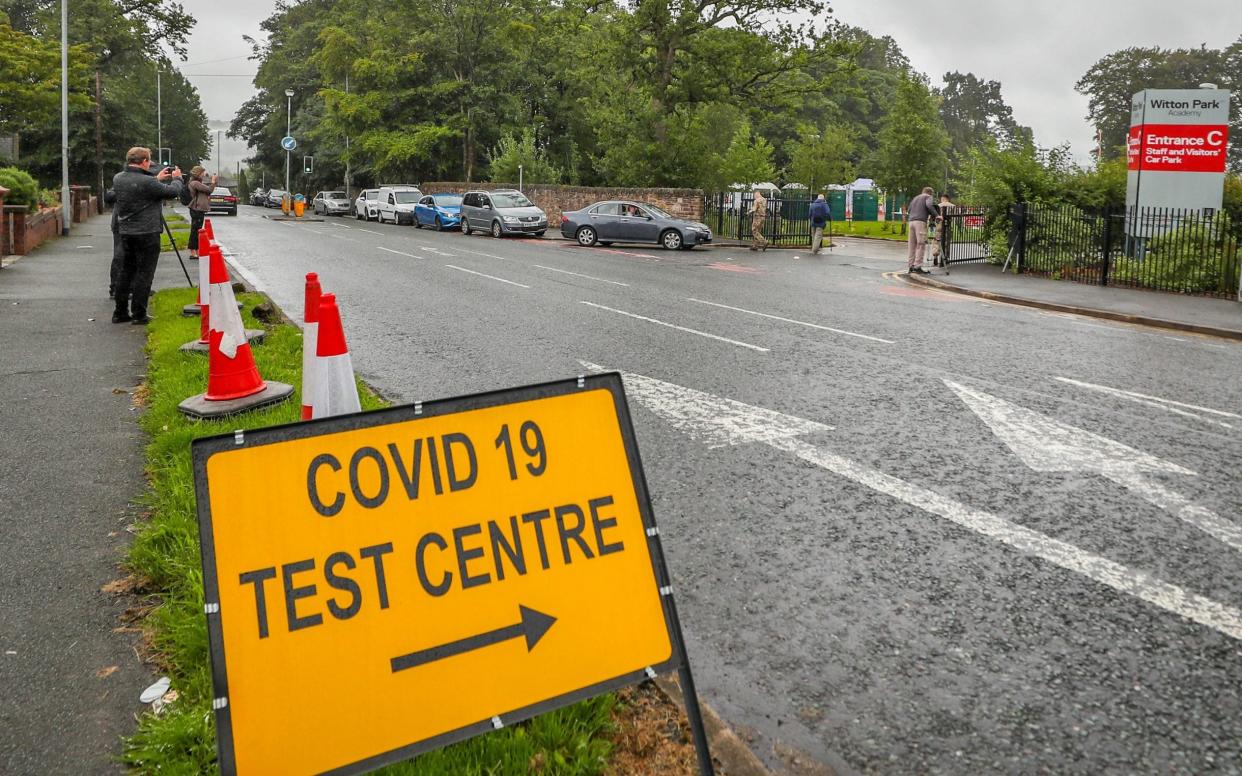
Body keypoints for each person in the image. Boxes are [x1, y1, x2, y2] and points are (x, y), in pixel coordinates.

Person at [112, 146, 183, 324]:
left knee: (126, 272)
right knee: (144, 274)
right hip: (147, 233)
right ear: (144, 161)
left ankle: (120, 312)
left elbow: (143, 188)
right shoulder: (148, 182)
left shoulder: (119, 178)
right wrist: (177, 179)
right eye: (149, 161)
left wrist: (155, 179)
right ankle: (139, 314)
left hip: (126, 232)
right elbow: (172, 192)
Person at [905, 186, 940, 274]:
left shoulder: (915, 198)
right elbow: (929, 205)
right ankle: (917, 266)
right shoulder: (928, 197)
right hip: (920, 222)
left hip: (911, 222)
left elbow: (909, 210)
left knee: (912, 245)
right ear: (930, 193)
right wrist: (936, 215)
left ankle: (911, 266)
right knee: (921, 244)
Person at [186, 166, 217, 259]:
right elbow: (209, 190)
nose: (203, 175)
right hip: (197, 209)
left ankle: (196, 250)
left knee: (197, 230)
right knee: (195, 231)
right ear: (198, 173)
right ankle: (193, 251)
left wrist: (213, 182)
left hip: (198, 209)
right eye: (202, 173)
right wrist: (213, 181)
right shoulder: (195, 183)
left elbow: (207, 191)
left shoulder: (196, 183)